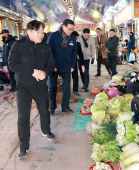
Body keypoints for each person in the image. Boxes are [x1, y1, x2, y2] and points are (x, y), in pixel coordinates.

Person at [8, 20, 55, 159]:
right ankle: (24, 146)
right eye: (37, 32)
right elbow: (12, 64)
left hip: (40, 86)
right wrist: (32, 72)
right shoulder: (18, 45)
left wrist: (45, 73)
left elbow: (51, 64)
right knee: (23, 117)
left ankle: (46, 130)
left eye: (42, 32)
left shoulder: (45, 47)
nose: (41, 35)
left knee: (44, 110)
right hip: (24, 86)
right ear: (29, 31)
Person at [47, 19, 77, 115]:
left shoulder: (72, 38)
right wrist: (51, 66)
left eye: (72, 29)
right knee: (52, 87)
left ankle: (65, 106)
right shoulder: (53, 36)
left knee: (67, 87)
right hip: (54, 66)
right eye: (69, 29)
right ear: (63, 27)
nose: (71, 31)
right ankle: (53, 106)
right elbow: (48, 52)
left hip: (66, 65)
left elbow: (74, 53)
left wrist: (72, 66)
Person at [72, 31, 85, 96]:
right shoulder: (66, 43)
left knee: (75, 76)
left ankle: (75, 90)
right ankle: (66, 91)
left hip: (74, 62)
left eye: (77, 36)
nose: (76, 38)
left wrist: (82, 64)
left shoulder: (78, 44)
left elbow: (80, 54)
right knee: (66, 78)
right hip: (66, 63)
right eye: (75, 36)